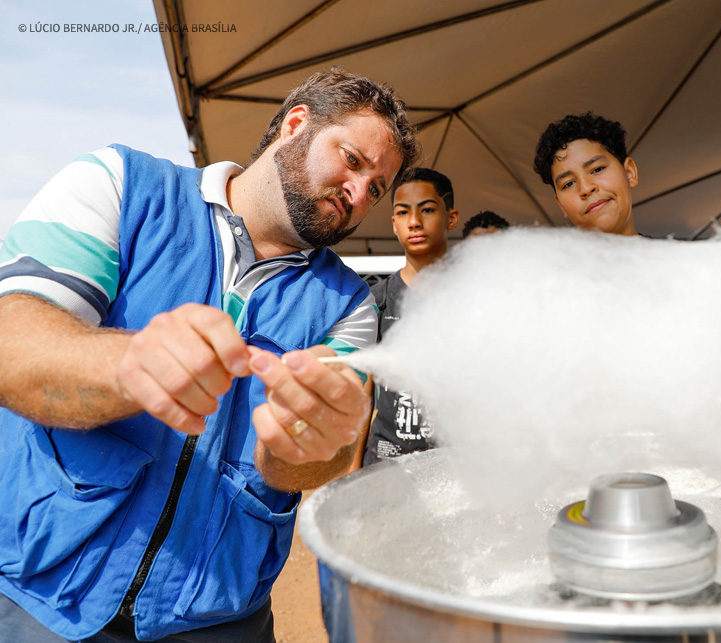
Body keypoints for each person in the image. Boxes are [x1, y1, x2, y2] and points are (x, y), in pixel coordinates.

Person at [0, 68, 418, 642]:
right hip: (39, 594)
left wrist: (305, 442)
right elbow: (13, 344)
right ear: (295, 125)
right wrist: (129, 364)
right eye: (352, 160)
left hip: (220, 614)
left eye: (376, 188)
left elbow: (309, 466)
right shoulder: (120, 183)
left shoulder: (349, 304)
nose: (358, 194)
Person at [359, 167, 459, 466]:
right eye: (403, 213)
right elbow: (362, 396)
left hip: (455, 470)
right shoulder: (375, 301)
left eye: (427, 210)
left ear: (451, 217)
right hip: (384, 467)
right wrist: (350, 474)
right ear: (393, 223)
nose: (414, 222)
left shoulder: (475, 298)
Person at [533, 112, 639, 236]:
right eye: (569, 184)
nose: (586, 188)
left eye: (597, 169)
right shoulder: (540, 255)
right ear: (561, 205)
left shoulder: (666, 253)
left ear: (629, 173)